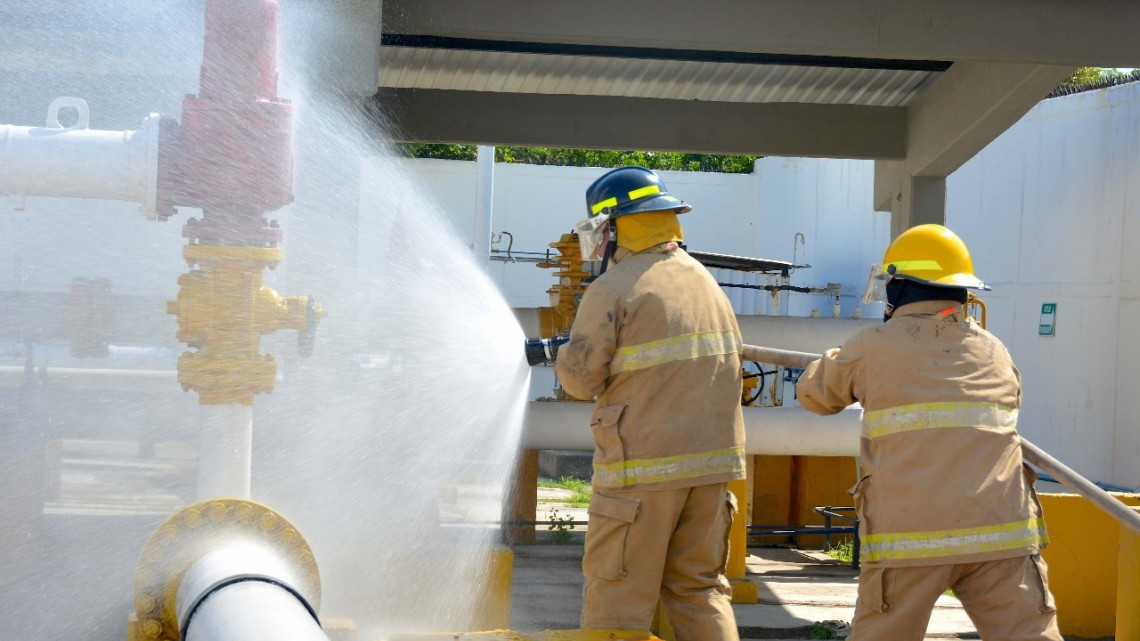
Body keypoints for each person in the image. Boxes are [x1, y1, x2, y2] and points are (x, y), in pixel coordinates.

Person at [796, 224, 1061, 641]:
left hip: (909, 541)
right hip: (1001, 537)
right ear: (962, 292)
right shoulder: (995, 350)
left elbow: (815, 397)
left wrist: (834, 361)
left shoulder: (871, 346)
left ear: (899, 288)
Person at [554, 166, 745, 640]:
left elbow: (580, 381)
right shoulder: (704, 282)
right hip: (711, 471)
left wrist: (562, 354)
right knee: (699, 593)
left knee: (617, 603)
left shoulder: (613, 288)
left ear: (617, 226)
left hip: (640, 475)